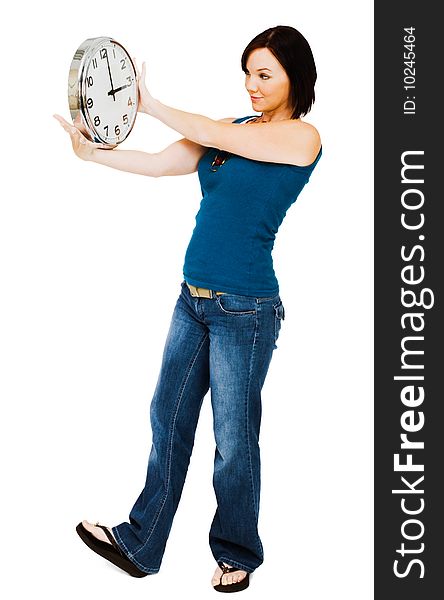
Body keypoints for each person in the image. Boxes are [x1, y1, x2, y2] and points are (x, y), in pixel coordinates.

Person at [54, 24, 322, 593]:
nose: (251, 85)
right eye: (247, 73)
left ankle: (237, 553)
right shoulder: (234, 130)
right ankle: (142, 543)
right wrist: (93, 153)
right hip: (192, 299)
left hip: (245, 309)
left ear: (294, 77)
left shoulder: (302, 138)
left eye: (263, 75)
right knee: (167, 420)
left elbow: (201, 128)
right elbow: (159, 163)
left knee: (233, 438)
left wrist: (148, 102)